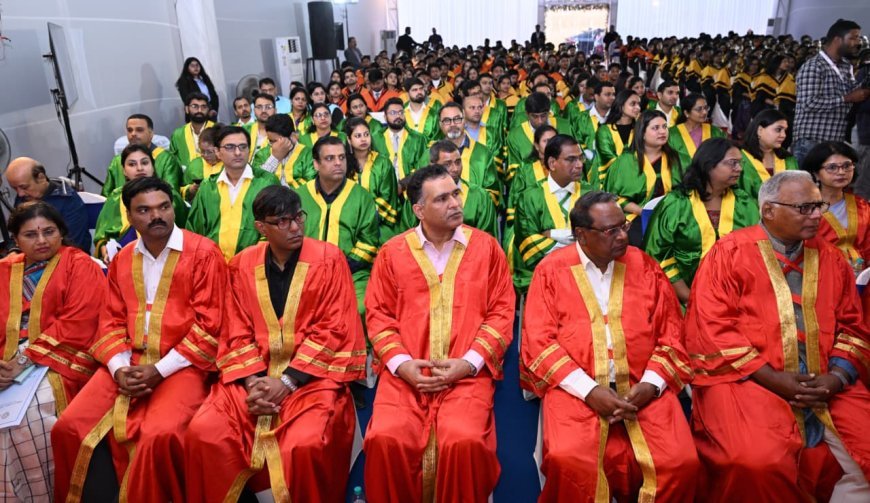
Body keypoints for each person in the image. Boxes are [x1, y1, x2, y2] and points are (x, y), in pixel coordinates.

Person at [685, 171, 870, 502]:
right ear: (769, 210)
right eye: (805, 208)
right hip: (746, 378)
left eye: (819, 206)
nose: (817, 215)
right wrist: (772, 378)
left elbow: (852, 327)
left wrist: (837, 377)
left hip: (825, 380)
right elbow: (713, 329)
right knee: (756, 462)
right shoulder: (729, 254)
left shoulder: (830, 257)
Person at [184, 186, 366, 502]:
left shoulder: (329, 259)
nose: (295, 227)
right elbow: (235, 327)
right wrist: (254, 383)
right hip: (253, 378)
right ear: (261, 227)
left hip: (311, 379)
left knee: (305, 444)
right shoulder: (241, 264)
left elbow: (334, 329)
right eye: (282, 221)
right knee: (204, 432)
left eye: (298, 217)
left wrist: (286, 382)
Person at [52, 176, 228, 503]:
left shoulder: (204, 254)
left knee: (159, 435)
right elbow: (110, 319)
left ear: (173, 208)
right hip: (127, 361)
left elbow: (211, 326)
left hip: (184, 364)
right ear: (130, 216)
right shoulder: (123, 259)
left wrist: (159, 370)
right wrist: (119, 368)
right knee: (69, 427)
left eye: (164, 207)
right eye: (144, 210)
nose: (156, 215)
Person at [521, 191, 698, 503]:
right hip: (576, 391)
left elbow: (671, 335)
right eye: (610, 230)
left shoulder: (645, 266)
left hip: (643, 388)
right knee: (569, 461)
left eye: (624, 226)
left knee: (680, 463)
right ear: (581, 234)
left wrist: (651, 385)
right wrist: (590, 391)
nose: (622, 236)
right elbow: (539, 344)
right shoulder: (551, 271)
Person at [364, 164, 515, 503]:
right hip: (405, 377)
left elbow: (502, 312)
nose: (455, 203)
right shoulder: (392, 253)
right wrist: (402, 365)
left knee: (464, 442)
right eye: (442, 199)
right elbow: (379, 316)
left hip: (465, 376)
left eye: (456, 194)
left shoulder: (487, 248)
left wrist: (469, 363)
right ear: (419, 210)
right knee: (385, 439)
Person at [0, 201, 105, 501]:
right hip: (7, 361)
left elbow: (79, 323)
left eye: (49, 232)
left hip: (61, 358)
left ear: (61, 232)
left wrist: (23, 359)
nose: (42, 240)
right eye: (30, 235)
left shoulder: (80, 265)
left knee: (27, 417)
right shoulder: (4, 270)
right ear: (15, 239)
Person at [644, 138, 759, 303]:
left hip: (736, 297)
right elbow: (657, 254)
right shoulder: (676, 203)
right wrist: (691, 298)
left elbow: (756, 251)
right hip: (682, 298)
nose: (739, 168)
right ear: (709, 164)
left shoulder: (744, 203)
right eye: (732, 163)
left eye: (740, 163)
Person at [295, 136, 380, 314]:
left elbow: (369, 241)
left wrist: (341, 268)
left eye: (342, 157)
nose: (338, 163)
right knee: (296, 309)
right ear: (316, 164)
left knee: (360, 309)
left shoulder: (361, 196)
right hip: (305, 272)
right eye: (329, 158)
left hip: (352, 273)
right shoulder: (299, 196)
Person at [187, 126, 279, 261]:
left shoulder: (266, 182)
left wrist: (254, 259)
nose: (237, 152)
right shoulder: (208, 187)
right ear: (217, 152)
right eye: (230, 147)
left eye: (243, 147)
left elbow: (276, 228)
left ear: (249, 150)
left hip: (256, 264)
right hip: (214, 265)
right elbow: (195, 232)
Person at [514, 135, 591, 293]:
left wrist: (552, 234)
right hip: (542, 273)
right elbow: (528, 240)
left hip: (585, 272)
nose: (579, 165)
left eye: (580, 158)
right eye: (571, 159)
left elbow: (596, 236)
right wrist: (574, 242)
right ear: (552, 163)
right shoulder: (530, 196)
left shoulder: (590, 194)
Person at [94, 145, 188, 263]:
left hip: (170, 259)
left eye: (144, 163)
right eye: (132, 164)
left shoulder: (170, 195)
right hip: (124, 261)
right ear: (124, 171)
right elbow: (102, 238)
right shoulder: (116, 198)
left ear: (153, 167)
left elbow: (186, 233)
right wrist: (106, 251)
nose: (139, 168)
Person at [793, 19, 870, 164]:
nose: (858, 42)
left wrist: (865, 85)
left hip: (834, 142)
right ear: (837, 40)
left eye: (859, 38)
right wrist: (847, 98)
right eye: (853, 38)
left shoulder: (846, 66)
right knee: (806, 180)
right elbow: (809, 103)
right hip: (811, 142)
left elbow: (853, 93)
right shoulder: (814, 66)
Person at [604, 110, 682, 246]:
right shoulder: (625, 162)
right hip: (636, 215)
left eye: (665, 127)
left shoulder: (677, 159)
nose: (662, 131)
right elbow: (612, 197)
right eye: (655, 128)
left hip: (673, 215)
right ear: (642, 133)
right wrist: (643, 212)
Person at [401, 140, 498, 237]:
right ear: (433, 166)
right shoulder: (418, 197)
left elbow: (487, 239)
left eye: (458, 162)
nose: (455, 169)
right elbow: (408, 236)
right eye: (447, 164)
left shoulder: (480, 197)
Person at [801, 141, 870, 269]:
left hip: (861, 274)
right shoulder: (804, 209)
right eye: (832, 167)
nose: (841, 172)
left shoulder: (862, 205)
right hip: (819, 272)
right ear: (815, 173)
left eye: (847, 166)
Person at [5, 157, 91, 252]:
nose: (20, 194)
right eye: (15, 189)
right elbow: (16, 232)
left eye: (24, 187)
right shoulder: (23, 197)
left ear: (41, 178)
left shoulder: (68, 200)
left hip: (66, 255)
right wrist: (13, 251)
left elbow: (74, 244)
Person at [435, 102, 501, 207]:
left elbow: (493, 192)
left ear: (464, 120)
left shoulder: (483, 153)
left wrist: (473, 209)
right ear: (440, 124)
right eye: (447, 120)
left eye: (457, 119)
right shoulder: (430, 154)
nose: (453, 124)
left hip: (476, 214)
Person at [346, 117, 400, 242]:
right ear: (349, 140)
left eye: (366, 134)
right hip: (350, 221)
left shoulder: (383, 163)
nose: (363, 139)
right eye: (358, 136)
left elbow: (387, 196)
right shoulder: (344, 165)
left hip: (380, 222)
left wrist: (366, 217)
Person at [102, 114, 183, 196]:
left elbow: (172, 194)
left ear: (151, 134)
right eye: (130, 130)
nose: (133, 134)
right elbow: (105, 197)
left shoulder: (167, 159)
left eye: (139, 130)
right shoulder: (117, 160)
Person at [506, 92, 573, 185]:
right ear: (527, 114)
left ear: (549, 112)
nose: (540, 121)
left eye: (543, 115)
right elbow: (514, 171)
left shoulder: (565, 127)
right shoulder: (515, 136)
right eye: (535, 116)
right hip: (531, 187)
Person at [738, 109, 798, 198]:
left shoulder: (788, 160)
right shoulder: (740, 159)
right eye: (778, 130)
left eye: (785, 130)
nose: (783, 135)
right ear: (760, 130)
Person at [371, 97, 428, 182]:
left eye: (401, 112)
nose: (398, 116)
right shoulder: (375, 138)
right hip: (383, 186)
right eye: (393, 113)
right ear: (385, 117)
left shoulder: (418, 139)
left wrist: (403, 184)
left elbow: (422, 167)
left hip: (410, 186)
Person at [251, 113, 315, 188]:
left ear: (293, 136)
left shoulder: (309, 154)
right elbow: (256, 184)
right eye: (270, 141)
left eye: (276, 141)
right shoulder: (262, 154)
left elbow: (310, 185)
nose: (273, 145)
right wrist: (274, 158)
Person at [668, 93, 726, 169]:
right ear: (686, 113)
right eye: (699, 109)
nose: (704, 112)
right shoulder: (672, 134)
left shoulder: (716, 132)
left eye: (706, 108)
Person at [595, 89, 641, 173]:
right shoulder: (604, 131)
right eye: (633, 104)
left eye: (638, 104)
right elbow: (607, 157)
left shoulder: (640, 129)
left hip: (637, 175)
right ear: (621, 106)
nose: (638, 108)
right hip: (611, 176)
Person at [168, 92, 215, 169]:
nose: (199, 110)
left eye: (203, 107)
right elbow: (173, 162)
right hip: (187, 176)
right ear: (186, 109)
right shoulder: (178, 134)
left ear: (208, 110)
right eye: (195, 106)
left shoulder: (217, 130)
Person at [181, 124, 223, 201]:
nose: (205, 155)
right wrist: (190, 189)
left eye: (210, 152)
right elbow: (182, 188)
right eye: (202, 151)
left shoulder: (228, 165)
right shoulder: (195, 165)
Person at [404, 77, 443, 142]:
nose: (419, 92)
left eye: (421, 88)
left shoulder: (433, 114)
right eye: (415, 90)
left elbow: (437, 138)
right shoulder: (401, 112)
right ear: (407, 94)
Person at [244, 93, 278, 163]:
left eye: (268, 107)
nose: (263, 111)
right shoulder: (245, 130)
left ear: (275, 110)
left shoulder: (282, 132)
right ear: (254, 110)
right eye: (259, 107)